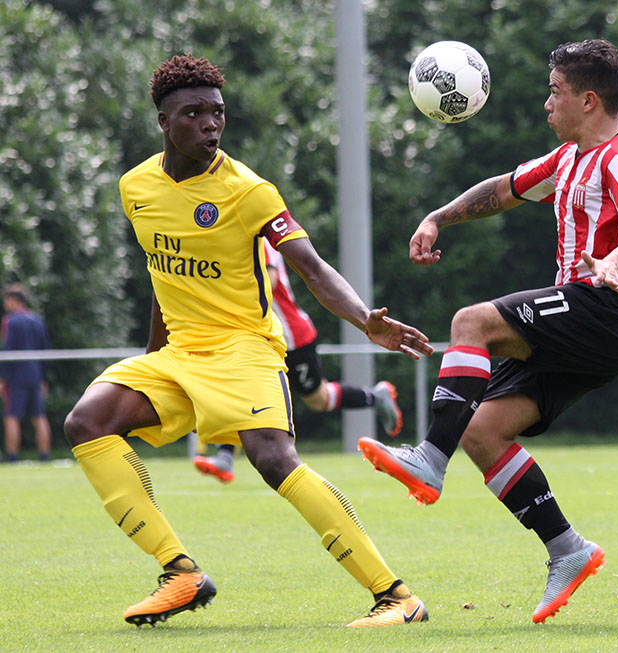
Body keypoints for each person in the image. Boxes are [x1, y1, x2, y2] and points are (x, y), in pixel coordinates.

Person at [63, 55, 433, 629]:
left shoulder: (249, 190)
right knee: (88, 421)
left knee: (272, 458)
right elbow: (163, 277)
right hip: (180, 353)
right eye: (194, 114)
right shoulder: (135, 186)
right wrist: (152, 354)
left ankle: (396, 596)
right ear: (164, 121)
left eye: (218, 113)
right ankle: (180, 572)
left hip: (245, 348)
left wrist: (365, 319)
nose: (210, 125)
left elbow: (311, 268)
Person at [358, 39, 618, 624]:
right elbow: (504, 188)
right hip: (591, 320)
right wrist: (438, 216)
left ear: (589, 99)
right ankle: (567, 549)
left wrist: (613, 262)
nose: (546, 103)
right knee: (483, 432)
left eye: (555, 92)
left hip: (610, 310)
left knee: (471, 322)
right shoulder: (569, 158)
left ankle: (428, 457)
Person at [192, 238, 403, 484]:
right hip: (260, 337)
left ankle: (374, 397)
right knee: (239, 389)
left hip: (291, 336)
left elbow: (267, 281)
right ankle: (225, 458)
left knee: (318, 398)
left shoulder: (257, 239)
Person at [1, 284, 53, 463]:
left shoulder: (9, 321)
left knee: (11, 417)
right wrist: (43, 379)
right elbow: (45, 350)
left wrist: (3, 378)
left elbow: (8, 350)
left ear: (14, 301)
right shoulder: (37, 320)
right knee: (39, 417)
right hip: (36, 375)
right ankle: (44, 457)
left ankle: (12, 458)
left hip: (16, 377)